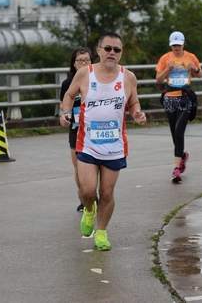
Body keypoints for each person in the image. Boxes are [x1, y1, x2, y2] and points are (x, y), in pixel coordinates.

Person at [60, 32, 147, 251]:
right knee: (87, 190)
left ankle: (101, 232)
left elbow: (133, 102)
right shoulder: (84, 74)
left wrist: (137, 113)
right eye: (107, 48)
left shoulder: (128, 77)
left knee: (107, 193)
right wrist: (66, 112)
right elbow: (68, 95)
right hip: (88, 143)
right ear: (98, 50)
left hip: (114, 146)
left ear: (121, 53)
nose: (111, 53)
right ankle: (89, 210)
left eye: (116, 50)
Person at [155, 31, 202, 183]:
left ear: (183, 44)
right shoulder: (165, 58)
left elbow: (200, 74)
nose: (176, 47)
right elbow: (158, 80)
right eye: (174, 45)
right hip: (170, 98)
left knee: (179, 131)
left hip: (185, 97)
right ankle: (182, 156)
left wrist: (195, 69)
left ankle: (176, 169)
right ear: (171, 45)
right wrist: (167, 69)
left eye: (179, 45)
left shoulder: (191, 57)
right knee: (174, 133)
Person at [59, 47, 93, 212]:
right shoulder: (68, 83)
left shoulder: (98, 80)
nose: (84, 63)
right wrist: (66, 115)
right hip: (76, 128)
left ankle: (94, 195)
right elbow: (63, 105)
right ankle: (84, 198)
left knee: (95, 166)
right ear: (74, 63)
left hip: (94, 128)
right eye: (80, 60)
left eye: (87, 60)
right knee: (78, 167)